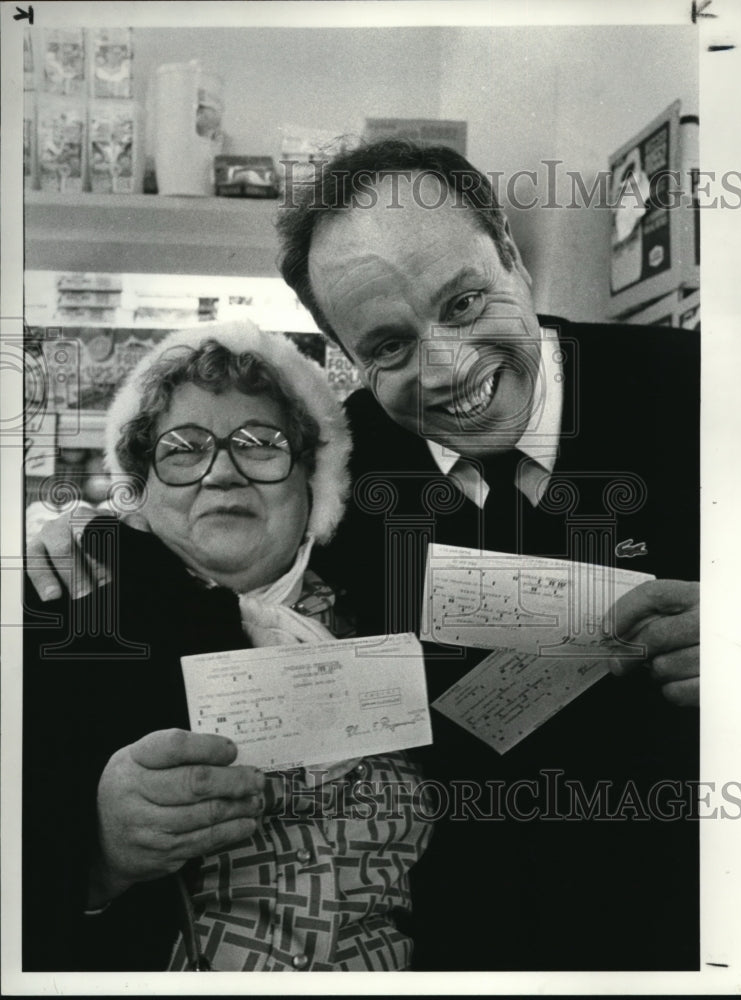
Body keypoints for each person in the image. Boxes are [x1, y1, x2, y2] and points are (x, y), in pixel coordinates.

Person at [27, 140, 700, 970]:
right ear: (348, 352)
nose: (447, 369)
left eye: (463, 303)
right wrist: (80, 530)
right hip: (460, 948)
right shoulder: (344, 470)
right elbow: (210, 518)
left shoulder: (714, 397)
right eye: (388, 345)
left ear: (514, 258)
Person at [23, 320, 432, 972]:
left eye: (261, 445)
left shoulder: (395, 612)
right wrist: (97, 853)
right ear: (141, 483)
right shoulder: (61, 612)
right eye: (183, 450)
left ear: (313, 477)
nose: (221, 473)